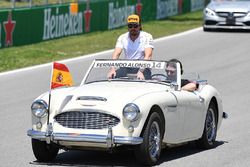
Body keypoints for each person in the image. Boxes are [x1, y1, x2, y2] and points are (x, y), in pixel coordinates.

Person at [108, 14, 154, 80]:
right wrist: (112, 68)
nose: (133, 28)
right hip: (127, 66)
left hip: (143, 67)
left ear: (140, 26)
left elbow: (148, 56)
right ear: (127, 27)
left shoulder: (147, 37)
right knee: (113, 77)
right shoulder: (122, 37)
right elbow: (116, 54)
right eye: (130, 26)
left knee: (142, 80)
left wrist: (140, 71)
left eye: (135, 26)